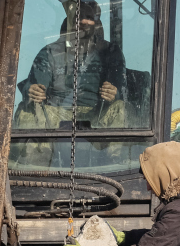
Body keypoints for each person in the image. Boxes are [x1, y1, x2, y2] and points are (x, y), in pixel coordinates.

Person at [15, 0, 128, 154]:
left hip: (97, 114)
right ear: (69, 20)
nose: (82, 21)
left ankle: (117, 167)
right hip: (55, 114)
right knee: (27, 112)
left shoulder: (110, 52)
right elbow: (34, 85)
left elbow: (122, 90)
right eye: (78, 16)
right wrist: (32, 90)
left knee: (120, 109)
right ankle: (36, 168)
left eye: (88, 16)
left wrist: (114, 93)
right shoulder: (50, 52)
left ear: (96, 22)